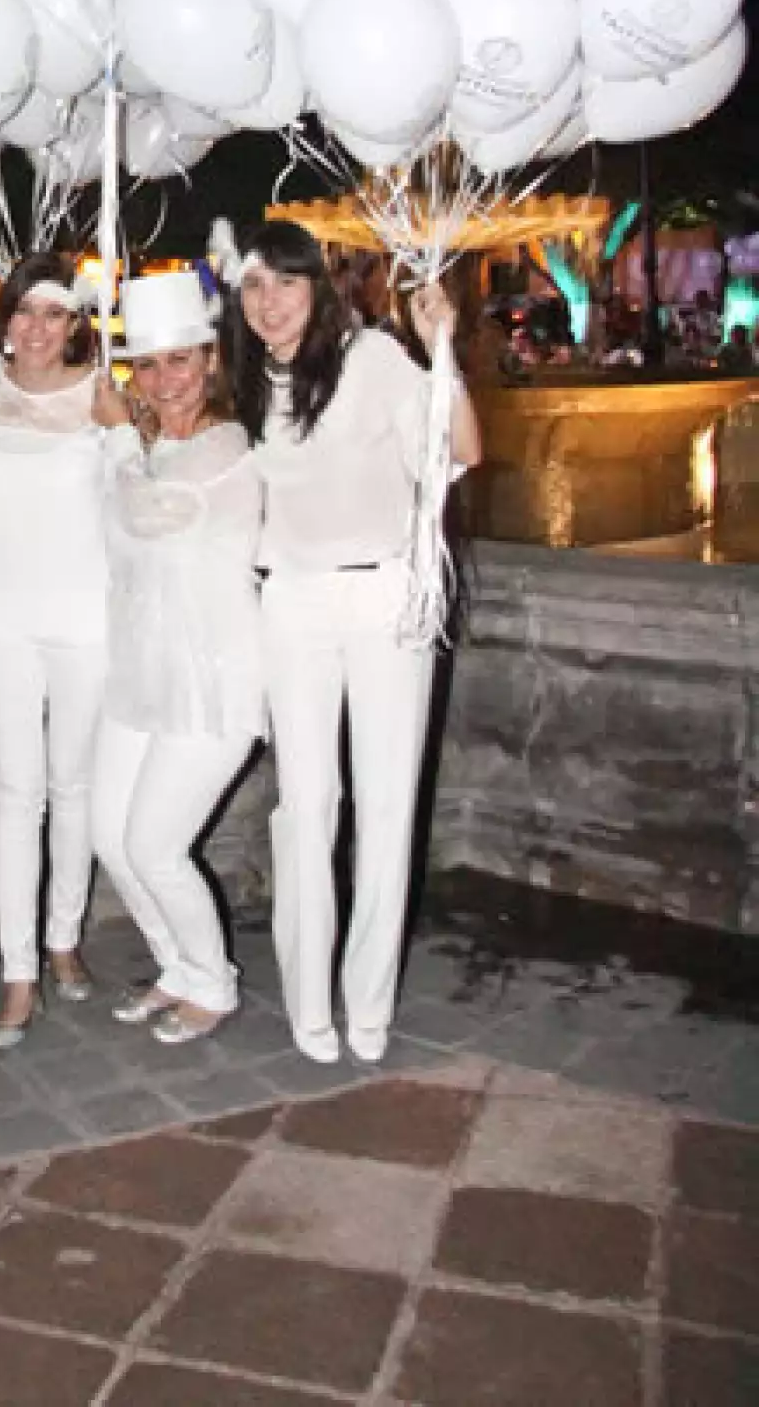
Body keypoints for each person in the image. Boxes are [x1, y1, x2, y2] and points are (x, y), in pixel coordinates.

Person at [233, 219, 481, 1066]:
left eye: (285, 283)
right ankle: (309, 1001)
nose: (269, 304)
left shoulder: (372, 359)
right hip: (292, 604)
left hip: (383, 597)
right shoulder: (244, 381)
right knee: (306, 808)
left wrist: (442, 346)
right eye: (254, 286)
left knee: (385, 805)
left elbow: (462, 450)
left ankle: (366, 1003)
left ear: (317, 287)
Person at [88, 267, 265, 1045]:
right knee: (108, 836)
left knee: (156, 845)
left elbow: (155, 512)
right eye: (147, 366)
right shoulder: (148, 445)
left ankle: (215, 984)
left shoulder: (229, 445)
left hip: (211, 675)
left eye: (180, 362)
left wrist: (119, 434)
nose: (164, 382)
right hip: (141, 667)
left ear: (211, 361)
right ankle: (177, 968)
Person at [0, 253, 106, 1048]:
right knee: (18, 791)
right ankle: (18, 971)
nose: (38, 328)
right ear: (5, 318)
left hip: (83, 615)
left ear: (75, 324)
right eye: (25, 311)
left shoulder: (102, 396)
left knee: (73, 785)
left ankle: (63, 938)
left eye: (54, 313)